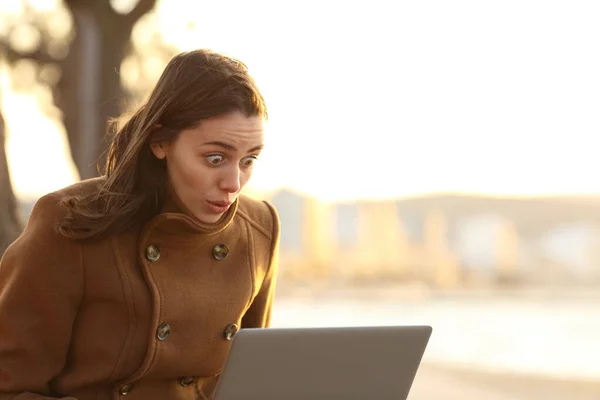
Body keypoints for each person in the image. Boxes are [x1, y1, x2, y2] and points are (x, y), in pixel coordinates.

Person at [0, 49, 280, 400]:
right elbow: (10, 388)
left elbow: (250, 382)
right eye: (215, 158)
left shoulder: (259, 228)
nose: (234, 183)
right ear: (160, 141)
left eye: (249, 160)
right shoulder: (68, 219)